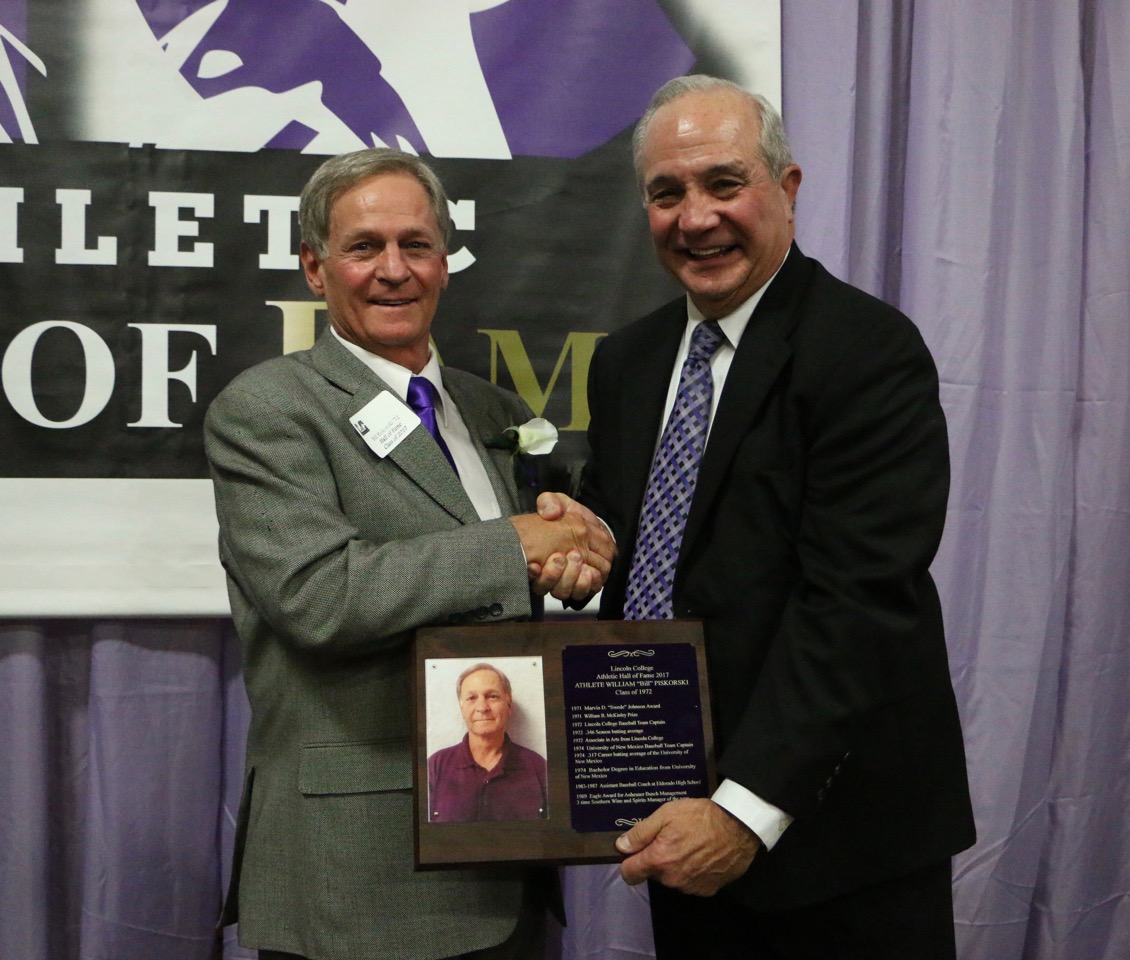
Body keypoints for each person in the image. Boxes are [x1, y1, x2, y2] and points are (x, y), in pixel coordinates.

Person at [577, 75, 977, 959]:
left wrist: (744, 812)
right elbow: (632, 548)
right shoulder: (627, 363)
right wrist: (576, 549)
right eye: (667, 193)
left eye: (724, 183)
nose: (696, 218)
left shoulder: (866, 351)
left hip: (838, 843)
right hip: (680, 823)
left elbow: (859, 601)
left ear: (786, 189)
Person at [204, 147, 614, 960]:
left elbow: (519, 584)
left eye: (416, 245)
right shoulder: (267, 409)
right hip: (357, 875)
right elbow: (321, 597)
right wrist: (516, 545)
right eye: (365, 247)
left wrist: (575, 564)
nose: (394, 269)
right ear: (315, 268)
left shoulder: (495, 411)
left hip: (507, 857)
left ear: (445, 263)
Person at [428, 662, 548, 822]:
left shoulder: (538, 768)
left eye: (492, 696)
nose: (482, 707)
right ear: (462, 709)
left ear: (509, 706)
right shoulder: (435, 767)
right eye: (471, 698)